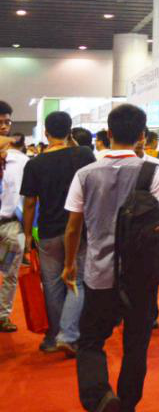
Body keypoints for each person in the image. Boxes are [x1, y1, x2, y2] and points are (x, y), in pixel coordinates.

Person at [62, 103, 159, 412]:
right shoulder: (151, 171)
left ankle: (101, 398)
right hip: (140, 274)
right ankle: (128, 404)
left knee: (91, 340)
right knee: (136, 344)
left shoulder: (85, 174)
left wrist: (69, 264)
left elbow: (73, 227)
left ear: (108, 133)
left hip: (99, 274)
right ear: (142, 135)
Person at [20, 110, 96, 354]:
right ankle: (69, 334)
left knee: (52, 284)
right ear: (70, 132)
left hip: (48, 230)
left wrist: (28, 235)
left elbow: (29, 203)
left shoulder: (34, 164)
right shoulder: (83, 154)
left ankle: (54, 336)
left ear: (46, 133)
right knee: (77, 280)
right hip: (79, 228)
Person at [0, 99, 28, 333]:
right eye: (0, 122)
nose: (4, 126)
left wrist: (28, 232)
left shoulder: (21, 161)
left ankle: (2, 315)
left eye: (7, 122)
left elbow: (28, 199)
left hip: (10, 227)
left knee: (10, 273)